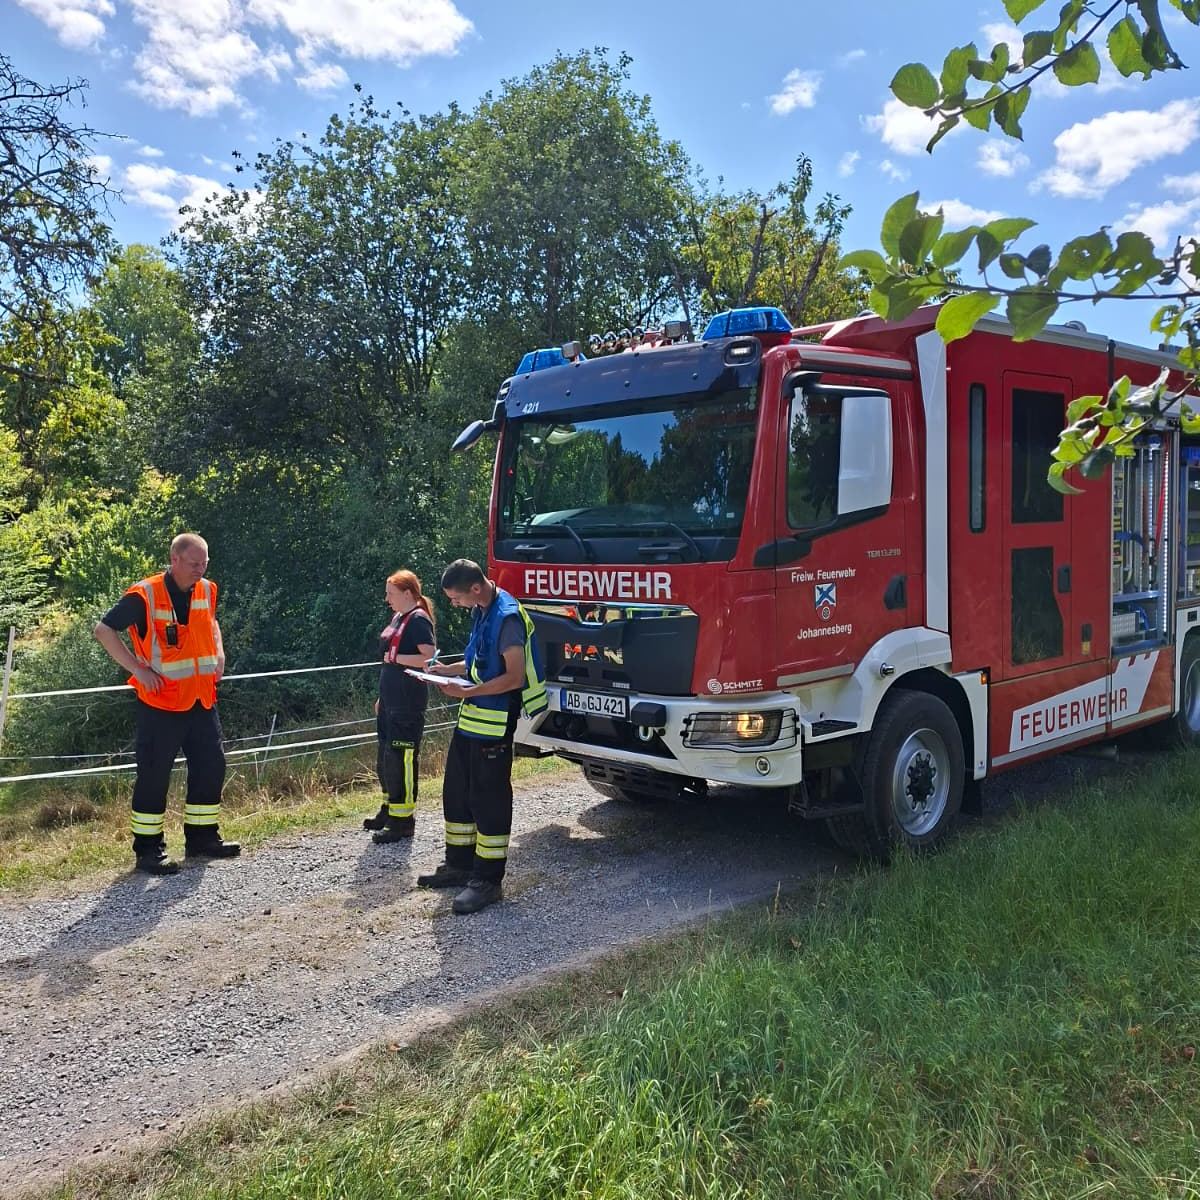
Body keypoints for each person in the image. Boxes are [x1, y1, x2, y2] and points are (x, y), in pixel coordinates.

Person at [93, 533, 239, 876]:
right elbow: (104, 630)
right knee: (154, 776)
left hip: (202, 699)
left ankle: (202, 839)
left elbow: (212, 623)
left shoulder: (206, 589)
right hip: (161, 703)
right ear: (174, 560)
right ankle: (148, 851)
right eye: (193, 564)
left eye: (204, 563)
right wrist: (138, 670)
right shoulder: (144, 594)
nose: (200, 570)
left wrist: (219, 652)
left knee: (211, 766)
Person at [419, 558, 547, 914]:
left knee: (488, 801)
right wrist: (449, 670)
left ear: (475, 588)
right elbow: (479, 661)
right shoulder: (482, 608)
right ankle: (460, 866)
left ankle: (488, 881)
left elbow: (513, 677)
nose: (454, 605)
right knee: (457, 793)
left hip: (493, 720)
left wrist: (467, 693)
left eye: (455, 598)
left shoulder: (506, 616)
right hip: (471, 720)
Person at [364, 568, 436, 843]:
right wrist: (383, 697)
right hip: (390, 701)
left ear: (407, 594)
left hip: (407, 703)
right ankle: (389, 809)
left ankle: (403, 821)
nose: (387, 599)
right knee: (385, 759)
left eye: (391, 593)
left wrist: (396, 658)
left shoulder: (418, 620)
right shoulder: (399, 617)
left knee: (401, 760)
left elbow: (428, 658)